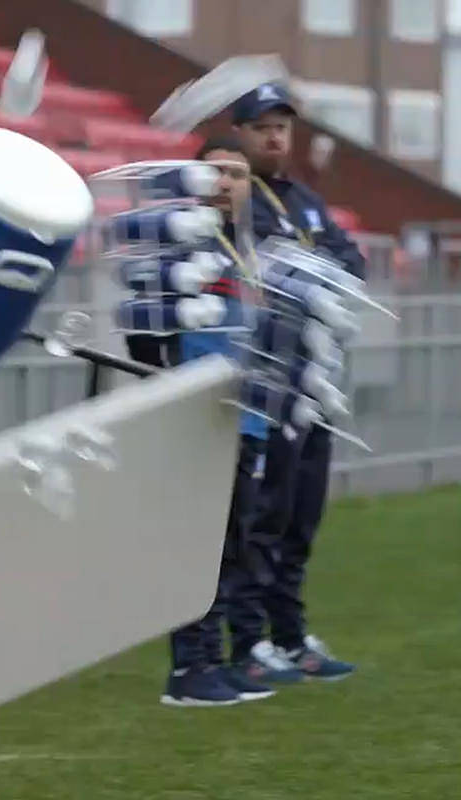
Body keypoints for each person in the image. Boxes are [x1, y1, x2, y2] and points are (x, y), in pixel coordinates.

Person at [225, 83, 363, 684]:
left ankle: (290, 635)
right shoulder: (233, 197)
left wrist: (318, 272)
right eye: (263, 127)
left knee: (302, 515)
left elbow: (350, 261)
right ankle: (249, 642)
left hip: (313, 384)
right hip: (266, 386)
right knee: (264, 515)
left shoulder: (303, 199)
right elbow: (262, 270)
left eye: (283, 126)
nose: (276, 136)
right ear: (240, 133)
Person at [155, 136, 288, 707]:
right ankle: (189, 668)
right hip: (197, 417)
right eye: (215, 173)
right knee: (196, 543)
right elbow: (151, 332)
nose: (226, 183)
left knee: (232, 543)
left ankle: (215, 657)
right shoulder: (179, 248)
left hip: (246, 417)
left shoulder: (252, 251)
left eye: (236, 173)